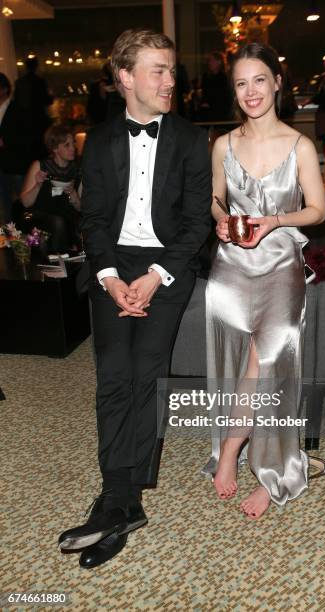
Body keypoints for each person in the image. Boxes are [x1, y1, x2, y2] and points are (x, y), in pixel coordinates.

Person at [57, 29, 211, 568]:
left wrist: (153, 277)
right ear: (125, 77)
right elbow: (94, 219)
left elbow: (196, 226)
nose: (172, 80)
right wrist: (107, 276)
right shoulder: (97, 142)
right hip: (112, 266)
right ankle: (118, 496)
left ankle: (122, 501)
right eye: (159, 70)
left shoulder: (192, 140)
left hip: (167, 268)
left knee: (147, 369)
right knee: (112, 373)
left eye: (172, 70)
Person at [202, 42, 325, 520]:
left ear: (278, 82)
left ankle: (256, 462)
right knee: (243, 364)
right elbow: (215, 200)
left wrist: (276, 220)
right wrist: (222, 219)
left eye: (259, 80)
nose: (250, 91)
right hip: (231, 267)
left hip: (281, 263)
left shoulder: (300, 146)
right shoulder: (222, 144)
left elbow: (318, 211)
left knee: (265, 368)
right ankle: (245, 452)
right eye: (241, 83)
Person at [20, 124, 81, 252]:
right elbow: (25, 203)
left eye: (73, 143)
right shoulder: (40, 166)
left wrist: (73, 194)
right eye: (67, 145)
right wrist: (38, 184)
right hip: (41, 217)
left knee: (80, 224)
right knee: (58, 222)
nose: (73, 148)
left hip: (66, 217)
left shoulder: (77, 169)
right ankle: (58, 261)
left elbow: (82, 208)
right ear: (55, 148)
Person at [0, 73, 32, 223]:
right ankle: (10, 240)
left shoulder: (18, 109)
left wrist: (5, 141)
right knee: (5, 204)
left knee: (23, 202)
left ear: (5, 90)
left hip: (16, 164)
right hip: (1, 165)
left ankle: (31, 238)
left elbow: (27, 137)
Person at [14, 57, 54, 160]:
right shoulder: (40, 81)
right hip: (39, 120)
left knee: (29, 153)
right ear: (36, 67)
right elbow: (47, 100)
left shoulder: (20, 82)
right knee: (41, 151)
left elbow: (16, 101)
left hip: (24, 121)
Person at [200, 51, 232, 121]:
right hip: (208, 113)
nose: (209, 63)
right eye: (209, 61)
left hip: (221, 112)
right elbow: (204, 93)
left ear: (219, 62)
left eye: (212, 60)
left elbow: (224, 97)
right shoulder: (206, 77)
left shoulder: (225, 78)